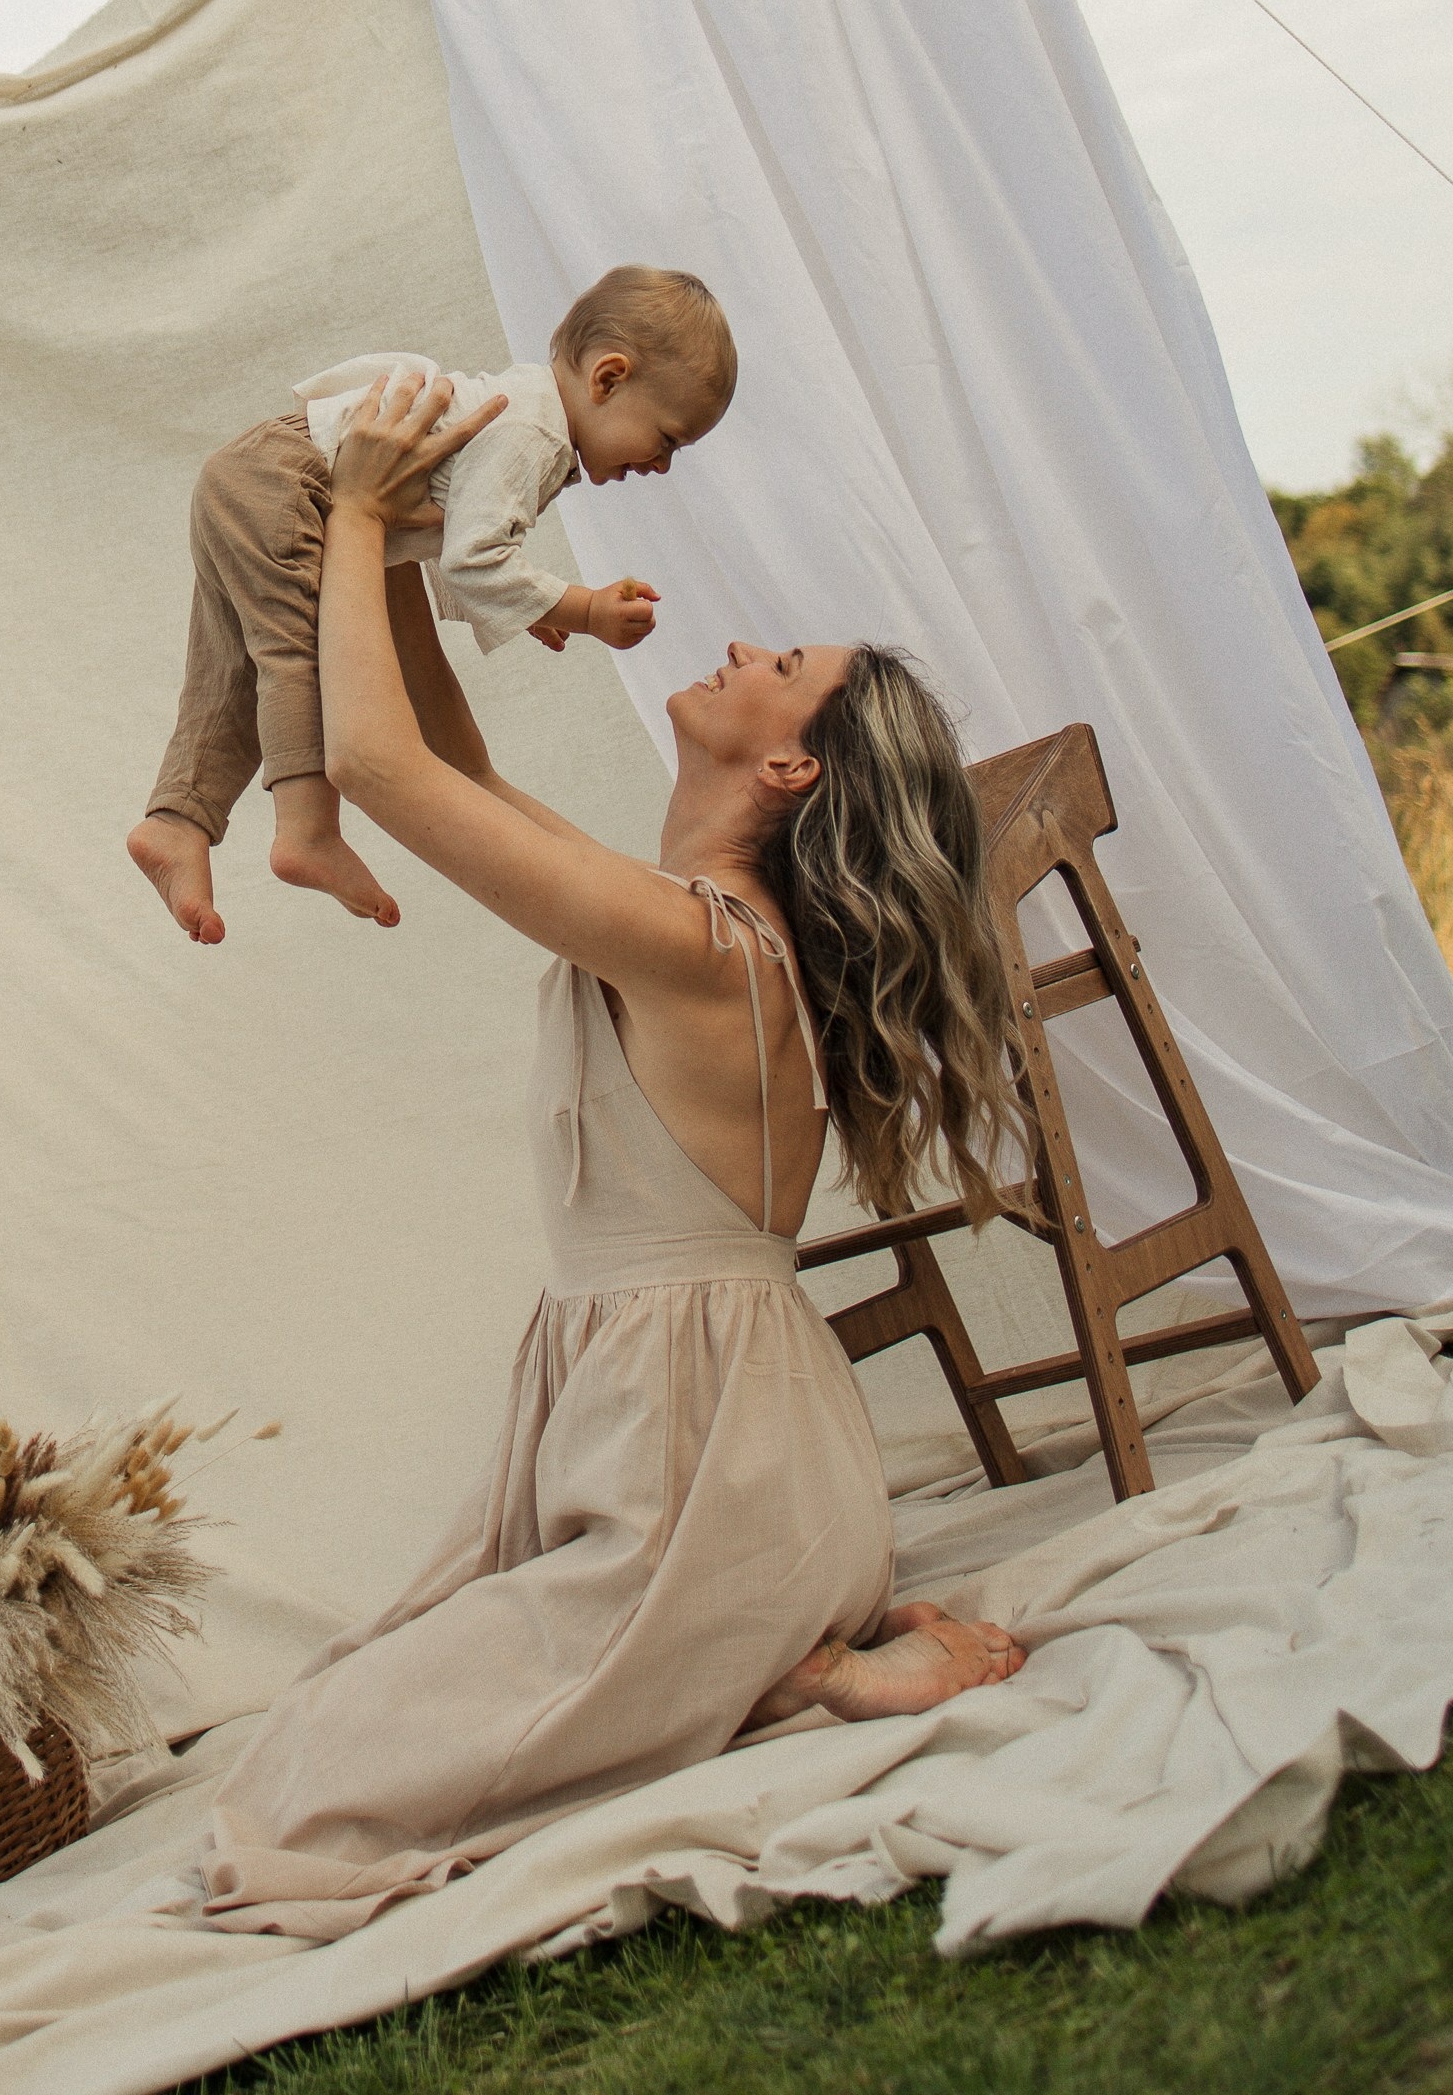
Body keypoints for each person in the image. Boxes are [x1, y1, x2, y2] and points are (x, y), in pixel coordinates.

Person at [199, 367, 1030, 1941]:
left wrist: (371, 503)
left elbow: (380, 778)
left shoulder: (701, 944)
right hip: (733, 1466)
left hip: (704, 1495)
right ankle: (802, 1661)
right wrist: (402, 554)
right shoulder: (701, 926)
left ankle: (795, 1671)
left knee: (305, 1783)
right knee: (354, 1699)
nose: (731, 649)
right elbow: (452, 770)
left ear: (788, 772)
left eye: (774, 664)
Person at [129, 267, 736, 946]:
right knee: (295, 655)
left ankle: (176, 823)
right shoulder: (536, 436)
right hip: (286, 484)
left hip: (252, 474)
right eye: (671, 438)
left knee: (229, 672)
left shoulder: (527, 415)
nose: (662, 465)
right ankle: (307, 830)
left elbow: (448, 531)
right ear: (608, 378)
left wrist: (520, 605)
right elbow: (474, 559)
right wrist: (583, 608)